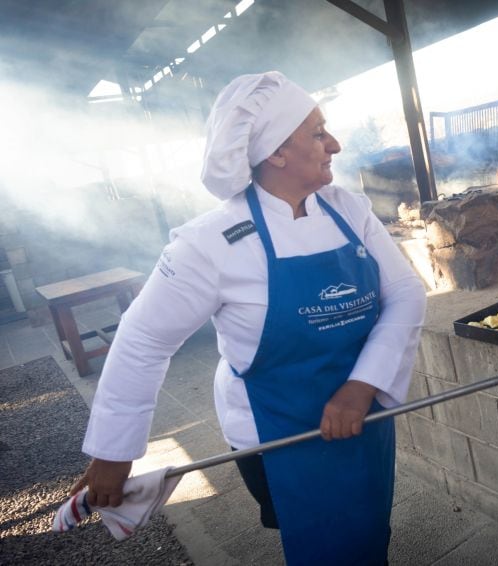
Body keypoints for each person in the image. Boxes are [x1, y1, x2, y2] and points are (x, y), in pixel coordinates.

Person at [71, 71, 427, 565]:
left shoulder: (350, 210)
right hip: (278, 433)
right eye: (318, 132)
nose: (336, 144)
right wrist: (114, 453)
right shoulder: (209, 243)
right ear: (276, 152)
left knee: (367, 525)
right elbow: (143, 340)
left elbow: (407, 291)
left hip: (361, 413)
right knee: (324, 543)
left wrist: (362, 384)